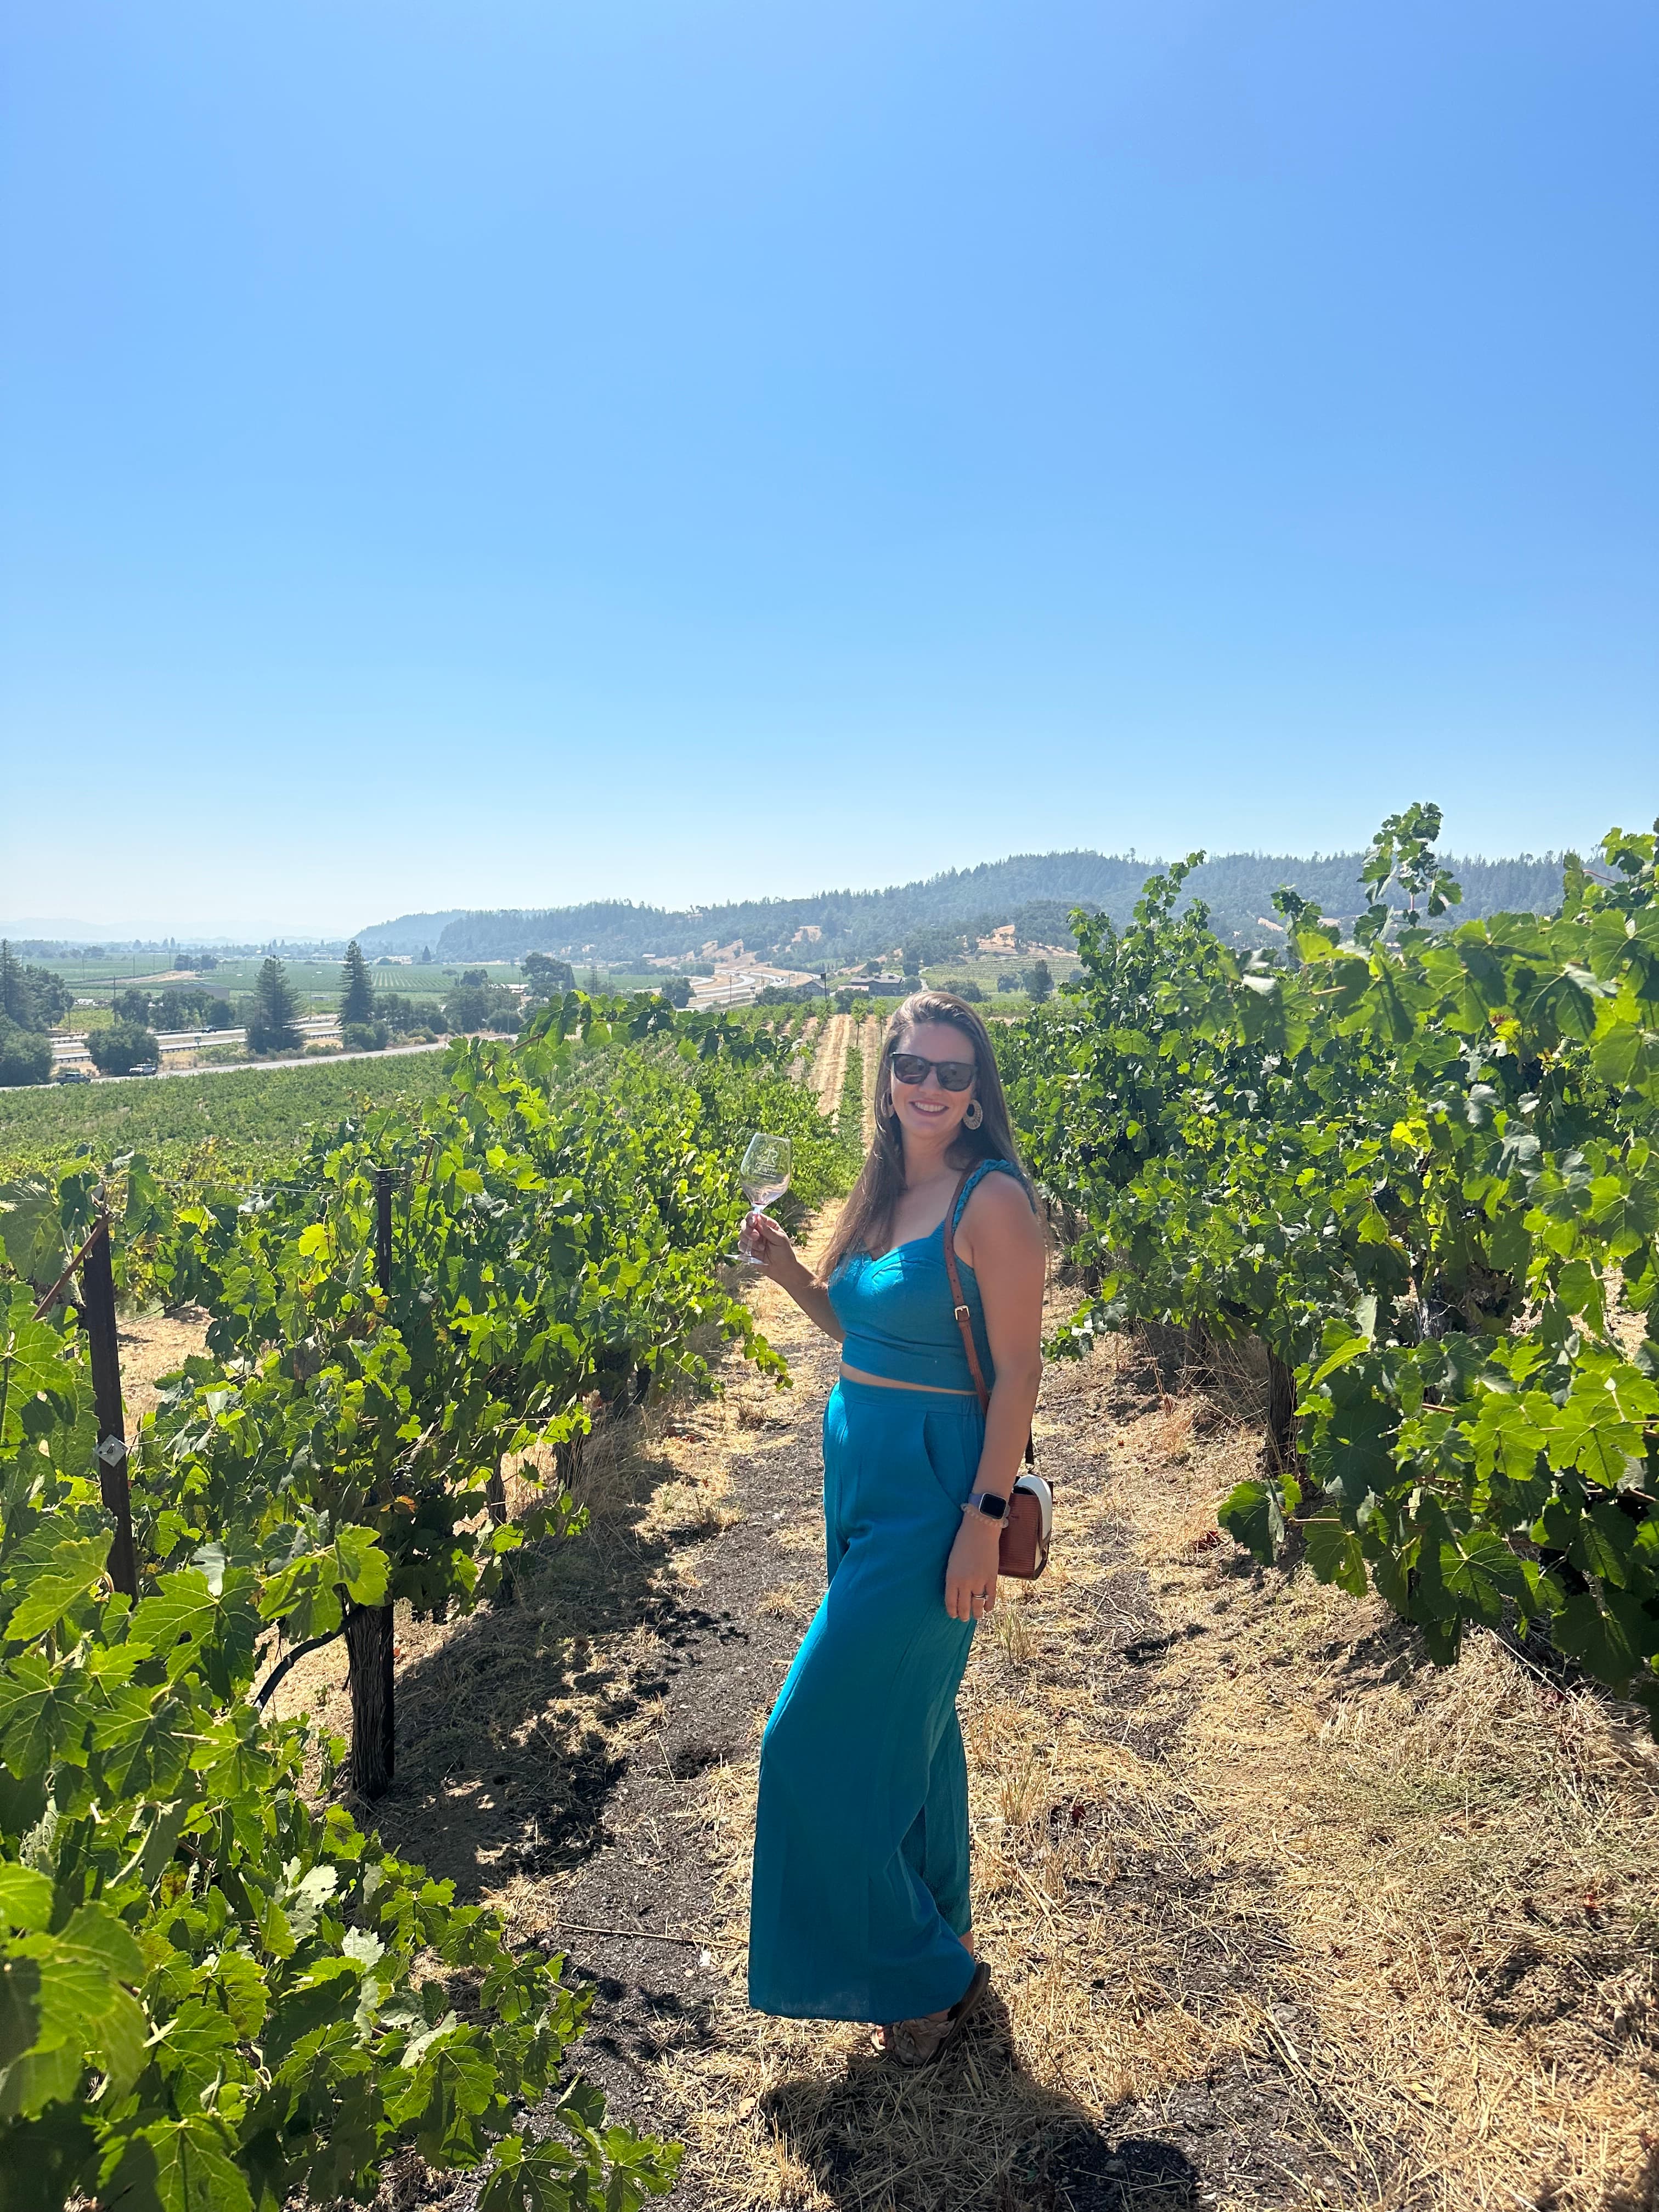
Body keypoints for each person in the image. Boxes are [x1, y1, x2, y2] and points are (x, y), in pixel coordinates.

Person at [743, 990, 1045, 2066]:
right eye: (913, 1066)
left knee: (804, 1739)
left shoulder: (992, 1200)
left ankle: (925, 1975)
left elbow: (1018, 1374)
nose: (929, 1086)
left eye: (953, 1074)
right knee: (914, 1724)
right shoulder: (879, 1192)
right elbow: (860, 1327)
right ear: (887, 1079)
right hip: (858, 1469)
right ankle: (937, 1937)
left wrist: (982, 1520)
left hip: (935, 1490)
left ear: (977, 1095)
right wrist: (788, 1278)